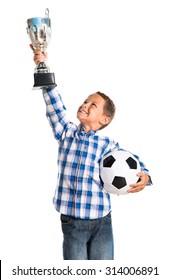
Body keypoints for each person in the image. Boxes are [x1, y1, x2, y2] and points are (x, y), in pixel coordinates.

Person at [30, 45, 152, 260]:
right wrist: (42, 67)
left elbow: (131, 161)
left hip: (102, 222)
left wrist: (146, 176)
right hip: (72, 223)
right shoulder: (65, 132)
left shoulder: (107, 145)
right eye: (85, 100)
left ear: (104, 120)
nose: (85, 104)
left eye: (93, 104)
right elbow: (54, 104)